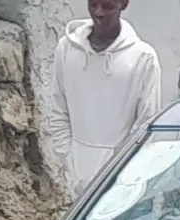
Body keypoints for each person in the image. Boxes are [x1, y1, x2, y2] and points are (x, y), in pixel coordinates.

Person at [45, 0, 162, 198]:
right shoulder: (67, 49)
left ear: (123, 4)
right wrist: (68, 157)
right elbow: (59, 106)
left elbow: (145, 123)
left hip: (122, 179)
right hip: (77, 177)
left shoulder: (143, 57)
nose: (98, 12)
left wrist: (123, 172)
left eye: (107, 6)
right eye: (93, 4)